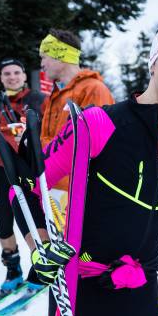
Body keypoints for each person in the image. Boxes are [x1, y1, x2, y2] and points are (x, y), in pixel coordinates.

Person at [12, 21, 158, 316]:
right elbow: (25, 187)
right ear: (153, 63)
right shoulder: (99, 123)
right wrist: (40, 245)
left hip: (143, 298)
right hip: (85, 296)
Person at [0, 58, 47, 291]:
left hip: (27, 167)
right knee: (4, 221)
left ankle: (40, 267)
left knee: (32, 219)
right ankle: (13, 269)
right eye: (7, 73)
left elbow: (49, 128)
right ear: (1, 78)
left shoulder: (38, 99)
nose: (12, 77)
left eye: (16, 72)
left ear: (24, 76)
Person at [37, 29, 114, 202]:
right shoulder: (57, 94)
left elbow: (95, 147)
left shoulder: (93, 89)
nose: (42, 63)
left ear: (59, 56)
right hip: (50, 184)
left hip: (76, 192)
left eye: (44, 57)